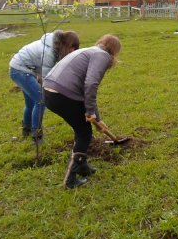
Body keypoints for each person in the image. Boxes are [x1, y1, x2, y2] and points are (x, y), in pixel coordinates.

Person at [43, 34, 122, 188]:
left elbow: (86, 95)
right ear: (114, 51)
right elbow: (91, 84)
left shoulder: (90, 51)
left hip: (50, 91)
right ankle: (70, 180)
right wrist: (90, 111)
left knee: (81, 128)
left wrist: (96, 117)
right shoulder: (102, 56)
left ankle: (83, 166)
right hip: (62, 94)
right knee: (84, 132)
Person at [9, 30, 80, 145]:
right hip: (20, 70)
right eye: (73, 47)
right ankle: (37, 136)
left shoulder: (55, 46)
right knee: (41, 100)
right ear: (67, 44)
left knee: (31, 103)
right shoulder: (49, 52)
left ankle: (26, 130)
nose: (73, 51)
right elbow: (46, 79)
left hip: (21, 69)